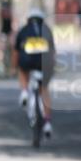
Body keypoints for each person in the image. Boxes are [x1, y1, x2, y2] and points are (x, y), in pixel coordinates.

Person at [12, 8, 56, 138]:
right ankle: (47, 123)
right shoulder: (47, 30)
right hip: (44, 63)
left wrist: (14, 67)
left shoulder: (24, 30)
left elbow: (16, 52)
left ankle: (25, 91)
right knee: (44, 90)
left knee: (22, 70)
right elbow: (53, 53)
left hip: (27, 61)